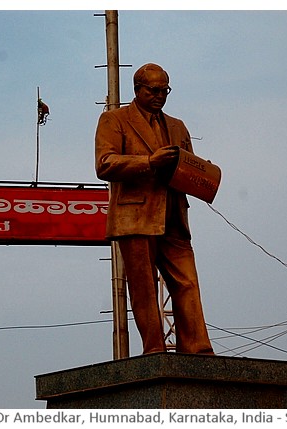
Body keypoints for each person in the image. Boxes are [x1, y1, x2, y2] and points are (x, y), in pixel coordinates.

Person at [95, 63, 214, 355]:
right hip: (135, 216)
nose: (160, 95)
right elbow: (105, 163)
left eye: (165, 90)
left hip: (174, 215)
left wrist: (200, 173)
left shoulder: (177, 126)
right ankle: (154, 351)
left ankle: (198, 351)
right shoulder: (114, 120)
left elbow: (188, 165)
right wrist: (149, 162)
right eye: (154, 90)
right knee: (145, 290)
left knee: (187, 282)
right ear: (137, 90)